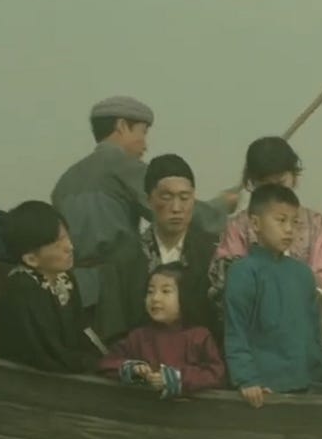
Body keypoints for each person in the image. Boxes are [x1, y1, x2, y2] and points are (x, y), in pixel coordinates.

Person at [52, 96, 239, 342]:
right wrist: (223, 205)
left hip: (71, 290)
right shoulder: (120, 164)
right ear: (121, 126)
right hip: (113, 290)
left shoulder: (65, 180)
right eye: (143, 132)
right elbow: (176, 211)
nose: (145, 145)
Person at [223, 185, 322, 408]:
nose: (289, 229)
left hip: (307, 385)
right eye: (280, 221)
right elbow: (236, 331)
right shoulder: (243, 271)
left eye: (294, 222)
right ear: (256, 224)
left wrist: (318, 376)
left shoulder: (303, 274)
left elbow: (314, 332)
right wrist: (247, 379)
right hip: (262, 389)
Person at [210, 136, 322, 321]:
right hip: (254, 324)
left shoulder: (315, 223)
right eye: (265, 186)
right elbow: (228, 279)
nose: (275, 193)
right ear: (252, 184)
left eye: (280, 183)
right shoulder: (238, 225)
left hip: (303, 321)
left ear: (294, 177)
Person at [0, 201, 100, 373]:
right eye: (58, 244)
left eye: (66, 237)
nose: (70, 247)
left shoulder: (65, 279)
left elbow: (81, 330)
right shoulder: (22, 287)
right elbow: (46, 353)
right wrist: (92, 365)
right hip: (24, 378)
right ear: (31, 259)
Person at [98, 264, 226, 398]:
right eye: (150, 291)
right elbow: (107, 362)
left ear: (184, 296)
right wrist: (134, 369)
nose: (155, 298)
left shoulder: (199, 336)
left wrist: (177, 378)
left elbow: (216, 374)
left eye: (165, 291)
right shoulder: (138, 336)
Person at [138, 154, 221, 336]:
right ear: (148, 200)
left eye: (184, 198)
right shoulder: (127, 255)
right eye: (167, 197)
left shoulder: (213, 253)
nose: (176, 208)